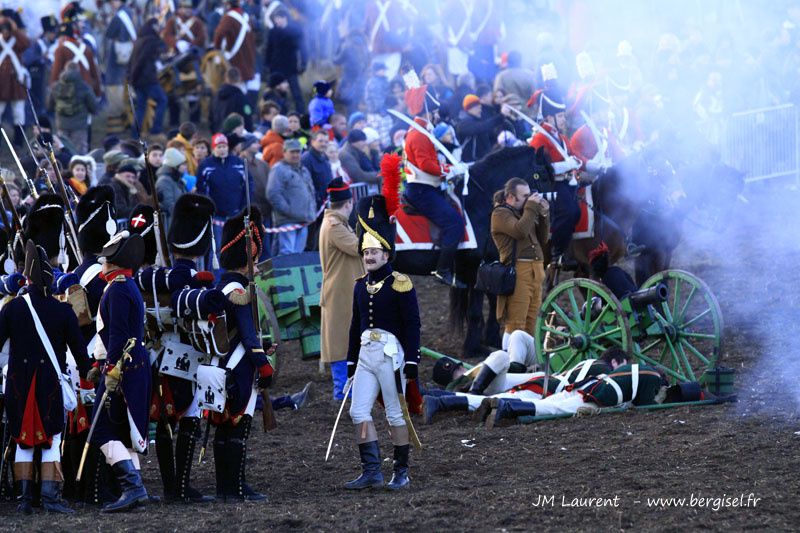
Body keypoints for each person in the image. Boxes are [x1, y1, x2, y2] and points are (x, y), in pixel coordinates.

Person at [0, 241, 92, 515]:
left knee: (23, 440)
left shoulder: (12, 308)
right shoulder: (63, 310)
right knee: (51, 439)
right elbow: (79, 351)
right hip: (49, 384)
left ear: (27, 278)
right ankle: (51, 499)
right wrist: (90, 372)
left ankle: (26, 500)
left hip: (18, 383)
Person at [345, 195, 421, 491]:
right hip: (366, 355)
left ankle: (401, 471)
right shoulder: (359, 286)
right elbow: (355, 325)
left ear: (387, 255)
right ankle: (371, 470)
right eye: (366, 253)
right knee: (358, 410)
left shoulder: (401, 282)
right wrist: (351, 361)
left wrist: (412, 360)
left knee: (394, 412)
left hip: (391, 356)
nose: (370, 257)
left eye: (375, 252)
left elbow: (413, 323)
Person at [212, 206, 272, 502]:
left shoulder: (221, 285)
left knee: (223, 430)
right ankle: (236, 488)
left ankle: (226, 488)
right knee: (238, 428)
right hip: (239, 367)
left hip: (220, 365)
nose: (257, 266)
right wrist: (263, 363)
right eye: (254, 259)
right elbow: (248, 335)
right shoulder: (239, 289)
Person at [90, 231, 153, 512]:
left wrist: (110, 369)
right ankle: (135, 488)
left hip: (121, 366)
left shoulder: (116, 288)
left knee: (101, 430)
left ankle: (133, 487)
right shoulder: (125, 285)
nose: (102, 264)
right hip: (131, 363)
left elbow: (117, 336)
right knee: (124, 430)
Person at [480, 348, 670, 428]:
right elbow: (645, 405)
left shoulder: (606, 367)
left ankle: (469, 400)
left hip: (581, 387)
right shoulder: (651, 377)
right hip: (597, 396)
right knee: (553, 409)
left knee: (551, 404)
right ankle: (505, 407)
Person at [403, 114, 465, 288]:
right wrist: (451, 170)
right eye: (435, 110)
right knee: (454, 223)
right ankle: (442, 269)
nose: (438, 114)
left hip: (429, 186)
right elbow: (426, 165)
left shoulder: (422, 130)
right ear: (428, 111)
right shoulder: (419, 134)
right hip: (422, 189)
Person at [490, 177, 550, 345]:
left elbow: (543, 238)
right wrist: (531, 208)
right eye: (524, 196)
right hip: (518, 271)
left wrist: (544, 214)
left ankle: (527, 362)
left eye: (529, 195)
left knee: (532, 322)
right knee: (516, 323)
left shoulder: (525, 212)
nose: (528, 199)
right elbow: (519, 232)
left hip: (536, 270)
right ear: (510, 197)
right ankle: (512, 362)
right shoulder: (500, 213)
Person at [319, 179, 364, 400]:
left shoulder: (336, 222)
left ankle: (346, 389)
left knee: (346, 340)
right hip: (340, 293)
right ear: (348, 203)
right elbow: (359, 248)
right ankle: (341, 391)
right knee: (340, 343)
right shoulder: (335, 226)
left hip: (344, 290)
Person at [528, 89, 582, 261]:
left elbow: (573, 154)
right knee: (568, 212)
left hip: (568, 182)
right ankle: (557, 250)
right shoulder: (540, 138)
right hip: (551, 185)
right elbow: (538, 167)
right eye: (560, 117)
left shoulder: (561, 137)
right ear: (549, 118)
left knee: (580, 210)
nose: (564, 120)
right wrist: (566, 165)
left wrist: (578, 162)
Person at [196, 133, 253, 266]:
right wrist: (208, 210)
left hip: (236, 213)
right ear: (214, 148)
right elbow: (201, 189)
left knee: (237, 247)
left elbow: (248, 185)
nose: (222, 150)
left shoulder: (238, 163)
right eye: (219, 147)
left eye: (224, 146)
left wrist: (244, 207)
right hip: (217, 216)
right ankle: (216, 279)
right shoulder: (206, 165)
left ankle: (235, 275)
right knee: (217, 249)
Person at [266, 139, 316, 255]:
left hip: (303, 220)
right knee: (286, 254)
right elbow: (273, 193)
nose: (295, 155)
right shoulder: (278, 169)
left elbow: (311, 191)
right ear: (284, 152)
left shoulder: (303, 170)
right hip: (287, 222)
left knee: (298, 255)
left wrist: (311, 211)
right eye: (292, 152)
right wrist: (288, 210)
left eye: (298, 152)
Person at [47, 62, 97, 154]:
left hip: (61, 125)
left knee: (62, 151)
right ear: (78, 70)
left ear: (65, 70)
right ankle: (79, 168)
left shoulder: (56, 86)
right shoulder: (84, 86)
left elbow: (50, 106)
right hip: (79, 126)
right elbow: (94, 106)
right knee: (79, 153)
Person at [213, 0, 258, 104]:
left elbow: (219, 34)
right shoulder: (246, 17)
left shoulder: (228, 18)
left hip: (235, 60)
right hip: (248, 59)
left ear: (228, 4)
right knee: (243, 89)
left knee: (235, 88)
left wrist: (218, 50)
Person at [129, 18, 168, 136]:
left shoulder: (139, 41)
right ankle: (156, 129)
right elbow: (141, 61)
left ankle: (135, 133)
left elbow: (133, 62)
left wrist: (132, 79)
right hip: (148, 79)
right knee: (162, 100)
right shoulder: (150, 41)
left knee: (141, 107)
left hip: (138, 80)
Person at [104, 0, 138, 134]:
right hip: (128, 57)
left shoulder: (120, 16)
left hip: (117, 60)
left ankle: (117, 124)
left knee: (115, 89)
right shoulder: (131, 13)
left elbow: (109, 33)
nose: (111, 3)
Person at [264, 8, 306, 112]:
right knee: (273, 93)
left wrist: (304, 63)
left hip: (290, 67)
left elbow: (302, 48)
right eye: (275, 19)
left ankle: (301, 115)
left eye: (278, 18)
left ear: (285, 18)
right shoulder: (273, 32)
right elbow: (269, 49)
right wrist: (267, 65)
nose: (276, 21)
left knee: (296, 94)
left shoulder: (295, 31)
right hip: (276, 67)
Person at [50, 14, 102, 98]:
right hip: (87, 93)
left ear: (63, 37)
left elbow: (55, 77)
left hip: (69, 95)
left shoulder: (60, 50)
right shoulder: (86, 48)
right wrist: (98, 94)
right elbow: (94, 74)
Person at [0, 15, 30, 146]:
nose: (5, 31)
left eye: (7, 29)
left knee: (19, 113)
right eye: (3, 28)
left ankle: (18, 142)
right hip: (1, 83)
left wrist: (15, 28)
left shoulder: (16, 40)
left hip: (16, 81)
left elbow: (26, 43)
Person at [455, 94, 509, 163]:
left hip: (481, 160)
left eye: (480, 105)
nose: (480, 108)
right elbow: (481, 127)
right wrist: (501, 116)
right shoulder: (463, 123)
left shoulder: (477, 120)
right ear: (469, 108)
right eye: (477, 106)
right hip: (470, 162)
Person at [155, 147, 188, 230]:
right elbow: (168, 204)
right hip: (170, 226)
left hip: (179, 223)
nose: (186, 167)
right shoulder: (164, 181)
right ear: (175, 166)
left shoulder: (177, 179)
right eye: (183, 165)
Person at [212, 67, 253, 132]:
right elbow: (248, 117)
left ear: (226, 79)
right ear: (239, 78)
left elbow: (211, 117)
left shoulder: (216, 97)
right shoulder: (242, 98)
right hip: (236, 136)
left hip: (219, 137)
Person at [302, 130, 333, 207]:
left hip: (326, 202)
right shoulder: (306, 159)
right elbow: (305, 183)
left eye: (326, 142)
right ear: (312, 142)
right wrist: (317, 198)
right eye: (320, 141)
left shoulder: (325, 158)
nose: (323, 144)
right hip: (314, 205)